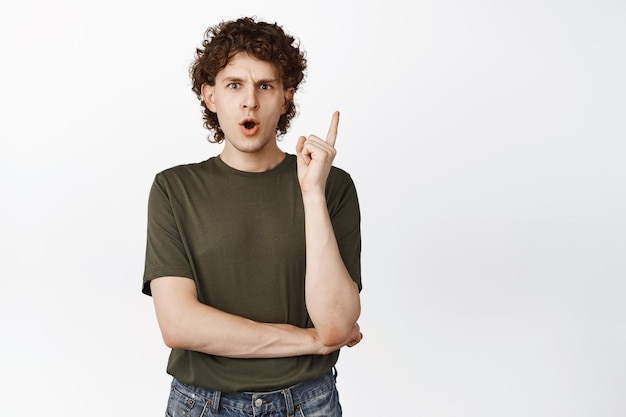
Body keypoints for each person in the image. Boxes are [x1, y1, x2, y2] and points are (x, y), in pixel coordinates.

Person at [142, 16, 363, 417]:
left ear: (286, 97)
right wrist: (309, 341)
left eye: (265, 85)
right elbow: (178, 325)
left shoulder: (332, 186)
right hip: (203, 403)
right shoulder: (174, 189)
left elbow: (336, 323)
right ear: (210, 97)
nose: (250, 101)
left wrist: (312, 193)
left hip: (309, 402)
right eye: (234, 85)